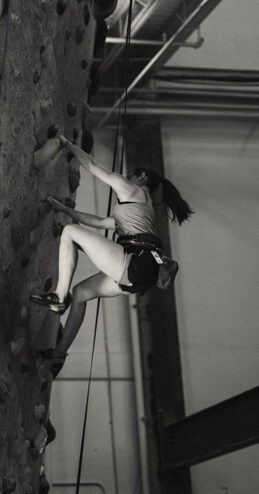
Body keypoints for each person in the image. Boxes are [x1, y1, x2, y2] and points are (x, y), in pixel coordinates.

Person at [30, 134, 194, 376]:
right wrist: (64, 209)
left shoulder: (134, 191)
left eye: (131, 176)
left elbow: (94, 167)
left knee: (70, 232)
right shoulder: (135, 211)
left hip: (136, 264)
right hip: (138, 276)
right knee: (82, 294)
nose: (125, 179)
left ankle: (58, 295)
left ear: (141, 178)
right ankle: (58, 355)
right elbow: (99, 222)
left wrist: (68, 145)